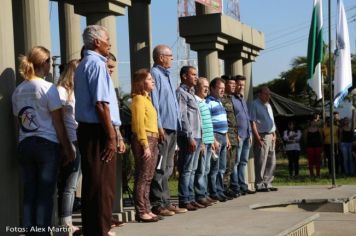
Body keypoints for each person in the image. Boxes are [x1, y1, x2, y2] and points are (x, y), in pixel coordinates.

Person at [12, 46, 75, 234]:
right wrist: (68, 147)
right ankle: (42, 231)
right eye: (49, 62)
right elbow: (58, 122)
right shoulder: (48, 88)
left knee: (29, 192)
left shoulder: (18, 90)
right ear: (45, 63)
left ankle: (30, 231)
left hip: (25, 144)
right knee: (45, 194)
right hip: (47, 144)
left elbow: (19, 119)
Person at [74, 25, 125, 236]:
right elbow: (101, 104)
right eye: (107, 40)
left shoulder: (84, 64)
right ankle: (100, 230)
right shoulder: (96, 64)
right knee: (103, 185)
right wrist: (111, 136)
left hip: (90, 129)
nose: (110, 44)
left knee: (94, 182)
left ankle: (94, 228)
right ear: (97, 42)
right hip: (98, 130)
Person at [150, 45, 186, 216]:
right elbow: (155, 102)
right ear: (160, 57)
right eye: (169, 55)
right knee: (160, 166)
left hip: (173, 127)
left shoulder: (168, 76)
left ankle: (166, 202)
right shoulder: (155, 74)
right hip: (163, 127)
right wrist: (158, 125)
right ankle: (158, 203)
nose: (172, 58)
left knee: (169, 167)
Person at [131, 69, 160, 222]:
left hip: (153, 139)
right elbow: (138, 125)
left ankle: (147, 208)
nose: (152, 81)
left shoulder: (147, 99)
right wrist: (145, 144)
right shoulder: (138, 100)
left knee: (148, 177)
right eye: (149, 79)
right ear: (142, 82)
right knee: (142, 176)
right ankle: (141, 211)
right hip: (145, 140)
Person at [56, 59, 81, 232]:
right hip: (68, 140)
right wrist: (66, 144)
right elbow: (58, 119)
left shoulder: (76, 92)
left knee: (71, 183)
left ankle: (66, 220)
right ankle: (64, 222)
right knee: (68, 184)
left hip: (77, 139)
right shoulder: (62, 91)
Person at [176, 66, 204, 211]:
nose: (196, 77)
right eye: (193, 74)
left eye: (196, 74)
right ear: (184, 76)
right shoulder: (181, 93)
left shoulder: (192, 93)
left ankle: (191, 198)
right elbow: (182, 116)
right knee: (186, 169)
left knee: (193, 169)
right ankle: (184, 199)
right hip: (189, 137)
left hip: (198, 136)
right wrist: (189, 136)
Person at [206, 77, 231, 202]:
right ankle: (213, 192)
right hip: (215, 135)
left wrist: (227, 138)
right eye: (220, 88)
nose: (222, 91)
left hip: (222, 135)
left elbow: (223, 121)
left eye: (223, 89)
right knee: (214, 168)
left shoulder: (220, 102)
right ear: (212, 88)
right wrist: (213, 139)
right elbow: (208, 122)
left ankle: (220, 190)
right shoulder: (208, 102)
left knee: (222, 167)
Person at [194, 77, 217, 206]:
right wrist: (202, 141)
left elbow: (209, 123)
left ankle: (205, 194)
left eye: (207, 86)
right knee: (201, 170)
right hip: (202, 141)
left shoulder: (204, 102)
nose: (206, 89)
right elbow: (199, 123)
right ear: (197, 87)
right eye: (204, 86)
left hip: (209, 140)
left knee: (207, 169)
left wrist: (212, 139)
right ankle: (200, 195)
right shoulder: (196, 102)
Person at [250, 86, 278, 192]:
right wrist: (257, 138)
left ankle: (268, 182)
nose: (268, 96)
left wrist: (274, 133)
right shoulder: (254, 104)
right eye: (266, 94)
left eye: (269, 94)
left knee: (271, 161)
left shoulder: (269, 105)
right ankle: (260, 184)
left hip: (271, 135)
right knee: (261, 160)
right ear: (260, 94)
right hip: (262, 135)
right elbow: (252, 122)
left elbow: (271, 120)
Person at [231, 75, 255, 195]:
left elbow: (247, 118)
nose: (241, 87)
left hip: (246, 135)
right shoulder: (232, 99)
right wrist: (235, 134)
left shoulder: (242, 99)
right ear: (235, 85)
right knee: (236, 161)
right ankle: (236, 186)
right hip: (238, 135)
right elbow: (231, 119)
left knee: (244, 161)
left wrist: (250, 133)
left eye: (243, 85)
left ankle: (243, 185)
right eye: (239, 84)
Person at [220, 75, 240, 198]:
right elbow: (223, 121)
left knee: (231, 164)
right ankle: (223, 188)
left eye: (234, 84)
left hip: (234, 135)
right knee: (226, 164)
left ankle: (227, 187)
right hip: (226, 136)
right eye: (231, 84)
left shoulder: (230, 99)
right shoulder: (221, 100)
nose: (234, 86)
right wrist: (227, 136)